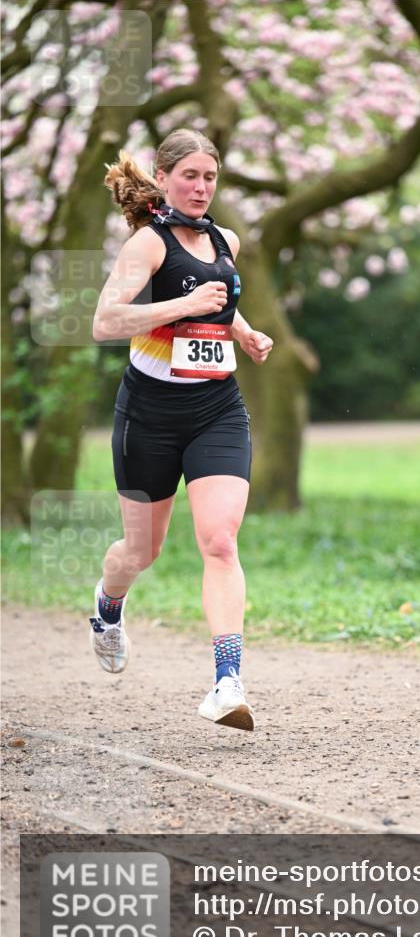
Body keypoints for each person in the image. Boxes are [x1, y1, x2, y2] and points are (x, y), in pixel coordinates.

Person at [89, 128, 272, 732]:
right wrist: (180, 310)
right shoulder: (147, 244)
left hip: (217, 408)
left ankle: (227, 682)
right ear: (164, 178)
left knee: (220, 541)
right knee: (141, 551)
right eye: (190, 175)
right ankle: (108, 606)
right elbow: (107, 321)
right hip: (148, 414)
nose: (201, 187)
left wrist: (241, 331)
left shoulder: (226, 240)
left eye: (210, 177)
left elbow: (214, 297)